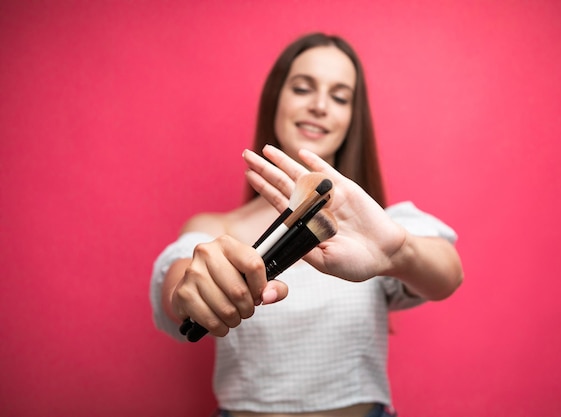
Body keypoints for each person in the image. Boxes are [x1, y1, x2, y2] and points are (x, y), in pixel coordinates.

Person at [150, 32, 463, 417]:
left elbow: (448, 273)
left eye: (339, 97)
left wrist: (397, 252)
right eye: (302, 88)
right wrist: (193, 289)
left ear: (352, 118)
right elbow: (178, 287)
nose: (319, 106)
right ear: (276, 99)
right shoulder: (216, 227)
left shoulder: (381, 227)